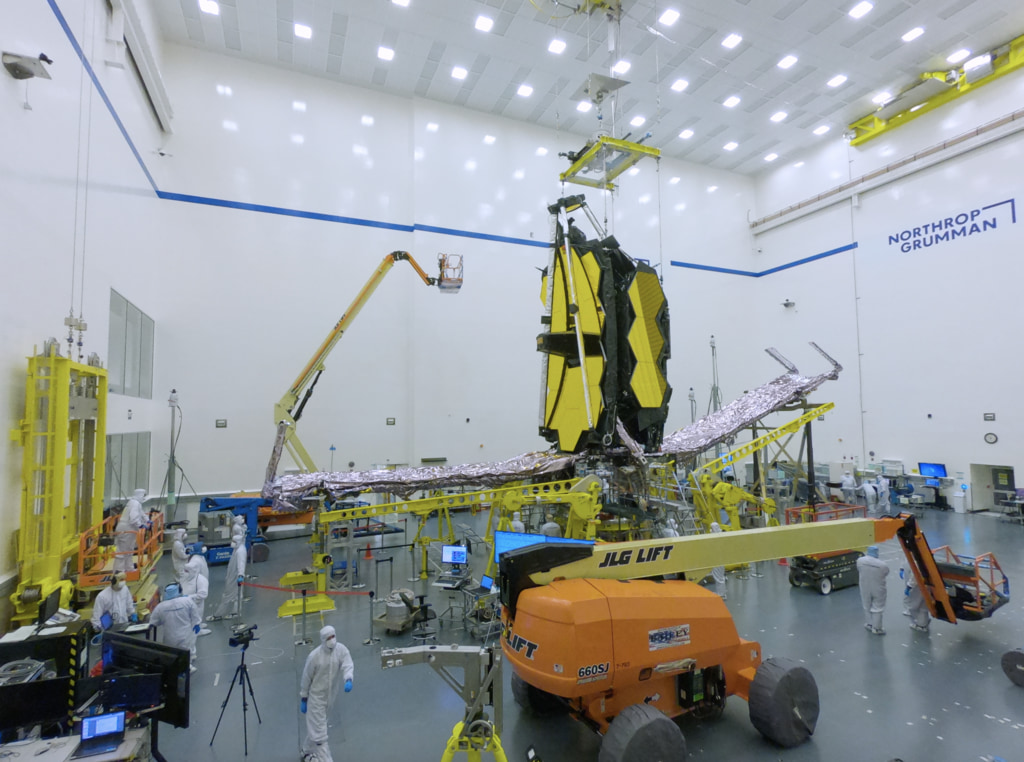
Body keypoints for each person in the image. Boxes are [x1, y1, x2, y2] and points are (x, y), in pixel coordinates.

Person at [300, 625, 354, 762]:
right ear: (323, 640)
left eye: (333, 636)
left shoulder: (340, 650)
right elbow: (306, 678)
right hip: (316, 699)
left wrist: (348, 678)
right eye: (328, 638)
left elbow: (347, 664)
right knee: (320, 736)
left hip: (330, 697)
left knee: (318, 726)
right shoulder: (315, 657)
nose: (332, 640)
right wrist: (304, 697)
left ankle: (306, 751)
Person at [149, 582, 201, 671]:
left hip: (170, 638)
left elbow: (153, 623)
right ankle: (187, 667)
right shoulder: (187, 601)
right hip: (186, 635)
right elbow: (195, 616)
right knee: (186, 652)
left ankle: (176, 670)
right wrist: (197, 624)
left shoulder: (160, 607)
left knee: (172, 656)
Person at [114, 489, 150, 573]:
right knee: (124, 551)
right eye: (143, 496)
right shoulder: (135, 503)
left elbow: (141, 513)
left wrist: (147, 520)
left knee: (128, 550)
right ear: (140, 495)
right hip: (127, 529)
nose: (144, 498)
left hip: (125, 528)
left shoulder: (133, 502)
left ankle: (128, 569)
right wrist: (140, 525)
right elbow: (133, 518)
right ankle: (120, 571)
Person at [212, 534, 247, 620]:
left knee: (227, 595)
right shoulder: (237, 549)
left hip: (235, 577)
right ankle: (235, 612)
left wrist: (240, 575)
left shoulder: (240, 551)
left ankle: (218, 614)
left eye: (234, 542)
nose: (232, 543)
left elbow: (241, 564)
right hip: (233, 576)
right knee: (237, 595)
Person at [856, 545, 889, 635]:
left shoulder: (860, 561)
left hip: (864, 587)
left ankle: (869, 624)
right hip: (878, 588)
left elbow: (859, 570)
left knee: (866, 605)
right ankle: (877, 628)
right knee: (877, 607)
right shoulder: (882, 565)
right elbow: (886, 573)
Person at [180, 561, 211, 638]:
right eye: (185, 570)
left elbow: (203, 594)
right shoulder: (185, 577)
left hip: (196, 604)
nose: (185, 572)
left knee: (197, 617)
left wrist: (189, 597)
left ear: (193, 571)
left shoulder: (201, 580)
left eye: (187, 571)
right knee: (188, 619)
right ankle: (194, 627)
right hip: (185, 603)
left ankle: (198, 631)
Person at [709, 521, 727, 600]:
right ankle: (720, 592)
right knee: (719, 577)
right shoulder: (721, 535)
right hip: (720, 559)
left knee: (719, 577)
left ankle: (722, 594)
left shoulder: (715, 537)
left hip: (718, 560)